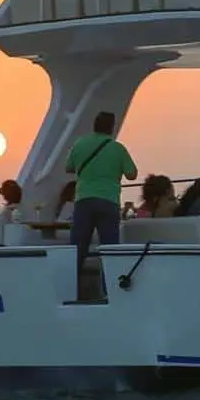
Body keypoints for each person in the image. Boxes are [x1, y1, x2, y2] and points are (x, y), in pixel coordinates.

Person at [65, 111, 138, 277]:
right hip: (109, 201)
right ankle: (110, 287)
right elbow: (132, 174)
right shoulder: (118, 148)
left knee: (78, 249)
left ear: (94, 125)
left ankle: (71, 286)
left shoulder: (80, 144)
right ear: (111, 128)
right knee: (110, 249)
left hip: (84, 200)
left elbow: (68, 167)